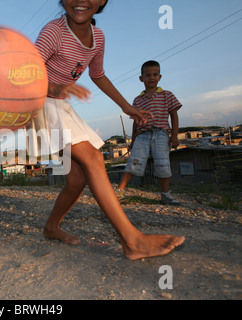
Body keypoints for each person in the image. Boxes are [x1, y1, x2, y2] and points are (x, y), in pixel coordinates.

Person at [28, 0, 185, 259]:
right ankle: (132, 241)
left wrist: (127, 107)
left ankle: (51, 227)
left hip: (60, 104)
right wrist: (56, 89)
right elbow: (28, 74)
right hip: (40, 101)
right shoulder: (53, 31)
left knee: (77, 179)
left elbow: (98, 74)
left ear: (102, 1)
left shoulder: (98, 36)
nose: (80, 1)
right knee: (94, 157)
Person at [117, 60, 181, 205]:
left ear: (160, 77)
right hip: (142, 134)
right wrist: (133, 140)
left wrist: (174, 136)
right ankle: (120, 191)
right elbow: (135, 121)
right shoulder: (138, 100)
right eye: (148, 75)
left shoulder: (167, 95)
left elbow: (174, 115)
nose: (151, 78)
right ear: (141, 78)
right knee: (134, 162)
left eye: (155, 74)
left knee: (163, 164)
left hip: (161, 134)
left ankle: (165, 195)